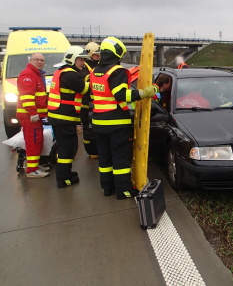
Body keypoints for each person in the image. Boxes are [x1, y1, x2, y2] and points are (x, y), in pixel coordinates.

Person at [90, 37, 157, 199]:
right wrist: (144, 93)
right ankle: (124, 191)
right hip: (116, 123)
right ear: (116, 53)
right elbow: (120, 95)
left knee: (105, 158)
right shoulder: (117, 71)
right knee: (120, 159)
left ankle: (107, 188)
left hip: (98, 122)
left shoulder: (95, 72)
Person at [47, 46, 90, 188]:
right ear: (72, 58)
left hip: (61, 117)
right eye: (81, 59)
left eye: (84, 60)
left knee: (67, 147)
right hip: (63, 117)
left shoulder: (62, 71)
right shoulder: (70, 74)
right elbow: (84, 88)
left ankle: (66, 173)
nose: (83, 63)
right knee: (67, 148)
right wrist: (93, 78)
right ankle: (63, 179)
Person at [16, 53, 49, 178]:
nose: (40, 62)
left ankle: (34, 165)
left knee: (37, 140)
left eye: (42, 60)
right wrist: (33, 113)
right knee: (33, 141)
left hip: (34, 116)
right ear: (30, 60)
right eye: (37, 60)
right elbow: (27, 97)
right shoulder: (28, 75)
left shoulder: (36, 75)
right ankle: (31, 170)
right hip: (30, 116)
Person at [79, 42, 101, 158]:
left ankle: (97, 149)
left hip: (96, 103)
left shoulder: (96, 67)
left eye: (99, 55)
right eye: (96, 55)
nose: (99, 57)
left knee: (95, 129)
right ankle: (91, 151)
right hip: (86, 105)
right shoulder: (84, 70)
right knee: (88, 130)